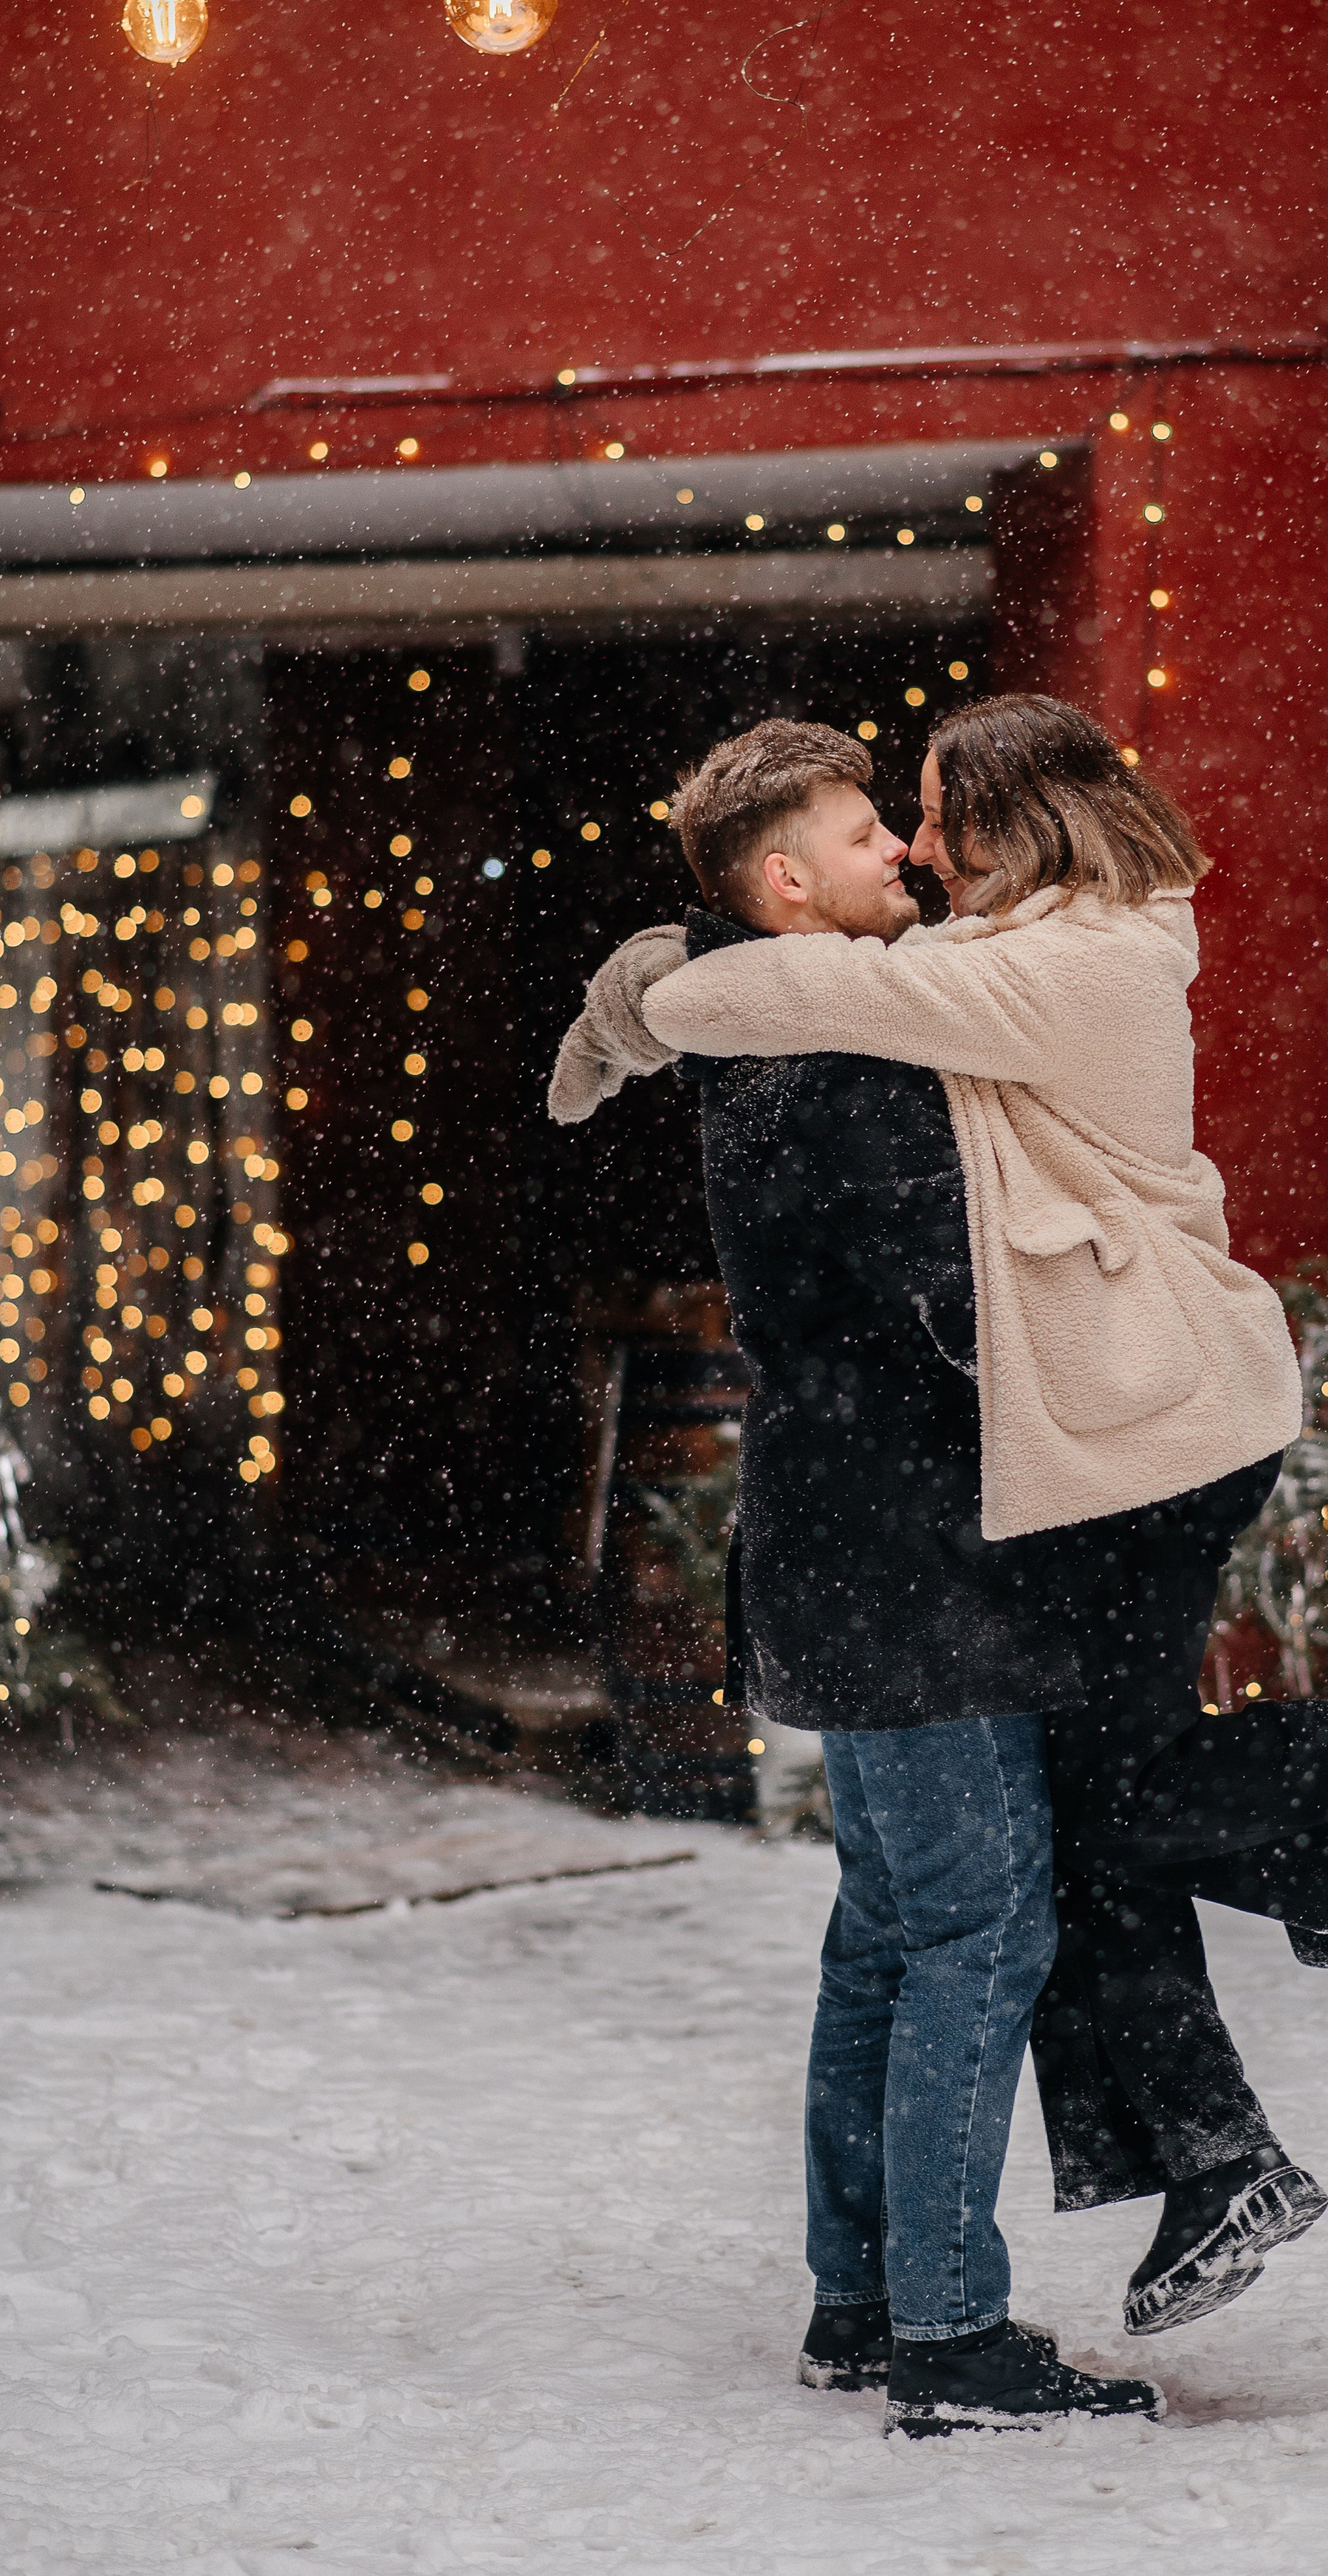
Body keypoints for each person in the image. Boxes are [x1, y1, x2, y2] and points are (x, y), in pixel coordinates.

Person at [635, 695, 1328, 2339]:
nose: (912, 847)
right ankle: (1211, 2158)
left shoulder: (1071, 962)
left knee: (1096, 1799)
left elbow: (799, 982)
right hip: (1067, 1455)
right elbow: (842, 1066)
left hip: (1150, 1430)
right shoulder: (997, 959)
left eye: (919, 817)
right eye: (881, 829)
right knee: (1070, 1816)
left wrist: (646, 991)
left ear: (1009, 822)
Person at [550, 720, 1162, 2441]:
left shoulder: (775, 1031)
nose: (903, 847)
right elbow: (951, 1307)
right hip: (916, 1550)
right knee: (980, 1927)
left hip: (832, 1536)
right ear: (784, 882)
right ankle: (951, 2335)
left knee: (890, 1931)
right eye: (859, 833)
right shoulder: (849, 1057)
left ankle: (860, 2297)